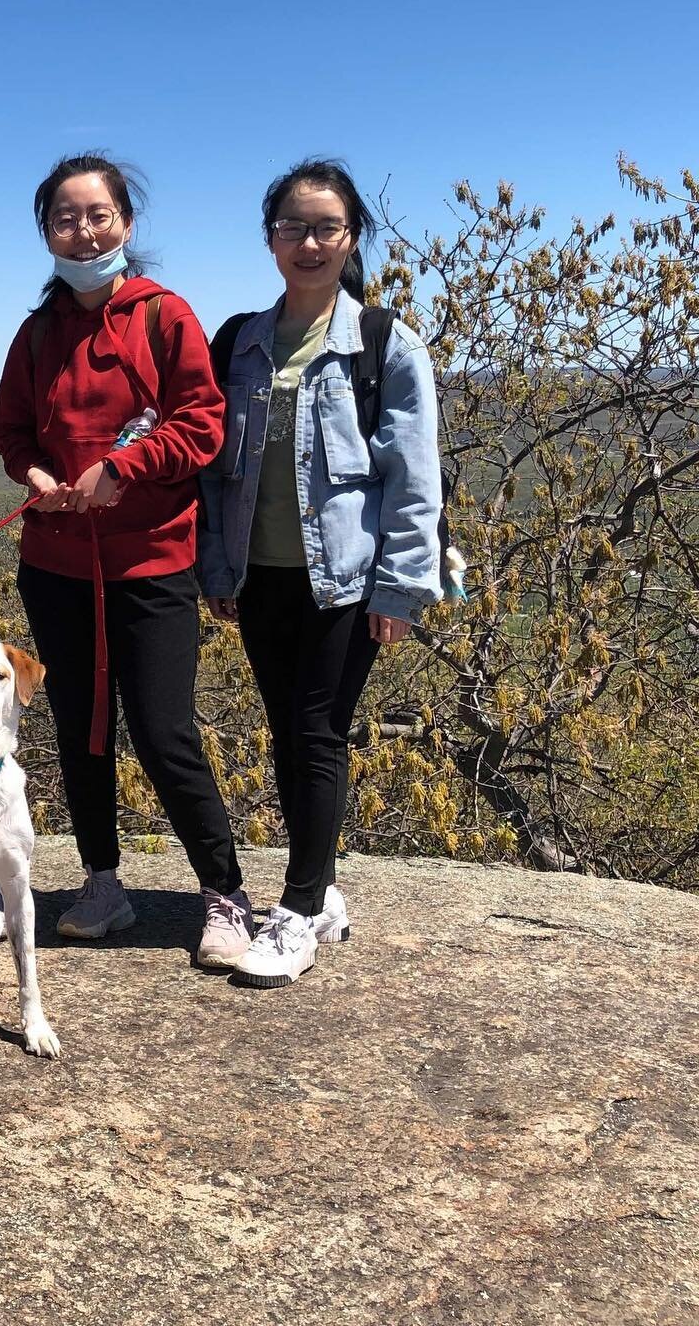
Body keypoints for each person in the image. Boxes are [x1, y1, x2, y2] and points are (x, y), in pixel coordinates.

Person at [0, 152, 254, 968]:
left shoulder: (163, 317)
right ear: (47, 233)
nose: (83, 230)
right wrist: (37, 474)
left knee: (164, 727)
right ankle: (103, 882)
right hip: (59, 564)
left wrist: (122, 471)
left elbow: (201, 424)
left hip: (150, 564)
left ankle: (225, 893)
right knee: (80, 723)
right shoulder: (38, 334)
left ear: (126, 224)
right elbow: (12, 433)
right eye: (66, 218)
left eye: (98, 215)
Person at [198, 158, 442, 989]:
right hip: (258, 574)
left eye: (326, 228)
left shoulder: (385, 344)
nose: (309, 242)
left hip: (345, 580)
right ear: (271, 239)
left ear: (351, 239)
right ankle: (324, 888)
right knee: (286, 734)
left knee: (317, 731)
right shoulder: (239, 342)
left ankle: (298, 910)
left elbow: (414, 479)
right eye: (293, 227)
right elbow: (211, 468)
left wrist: (400, 590)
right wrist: (216, 568)